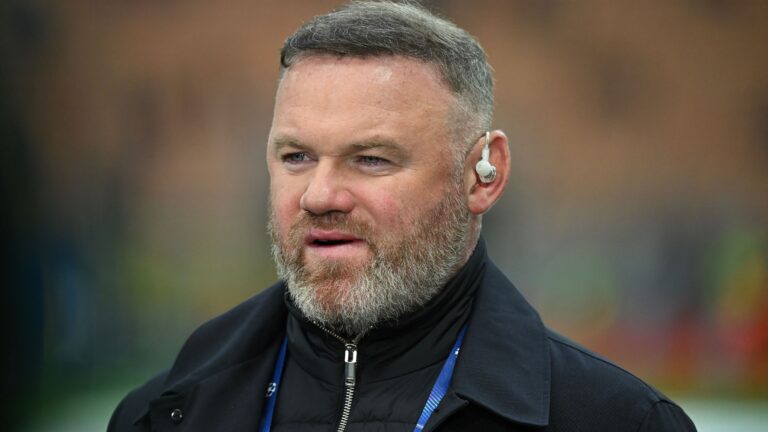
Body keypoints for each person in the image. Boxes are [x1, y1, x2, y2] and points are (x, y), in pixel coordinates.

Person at [108, 2, 697, 431]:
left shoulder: (615, 421)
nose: (320, 195)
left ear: (482, 175)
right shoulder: (162, 413)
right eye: (296, 157)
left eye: (371, 159)